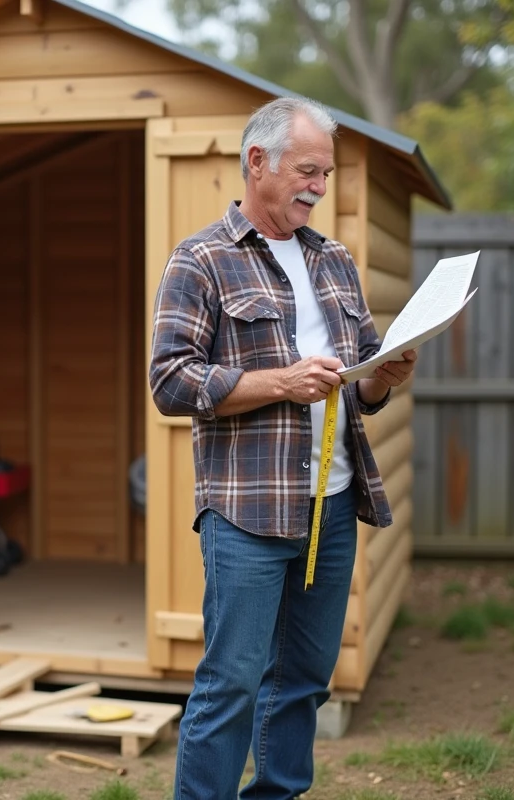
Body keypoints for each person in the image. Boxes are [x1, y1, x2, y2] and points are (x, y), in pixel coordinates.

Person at [148, 95, 416, 800]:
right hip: (245, 513)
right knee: (231, 681)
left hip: (330, 507)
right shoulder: (201, 260)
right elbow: (170, 382)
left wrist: (380, 379)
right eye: (307, 171)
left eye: (325, 175)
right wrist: (278, 382)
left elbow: (353, 392)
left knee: (302, 680)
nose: (318, 188)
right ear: (257, 161)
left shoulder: (334, 260)